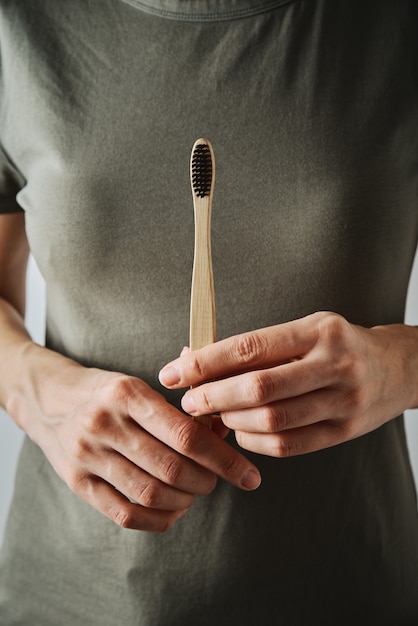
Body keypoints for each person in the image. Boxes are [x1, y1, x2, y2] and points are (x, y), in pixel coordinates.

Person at [0, 0, 417, 624]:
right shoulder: (18, 23)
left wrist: (401, 367)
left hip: (349, 588)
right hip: (67, 598)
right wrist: (38, 392)